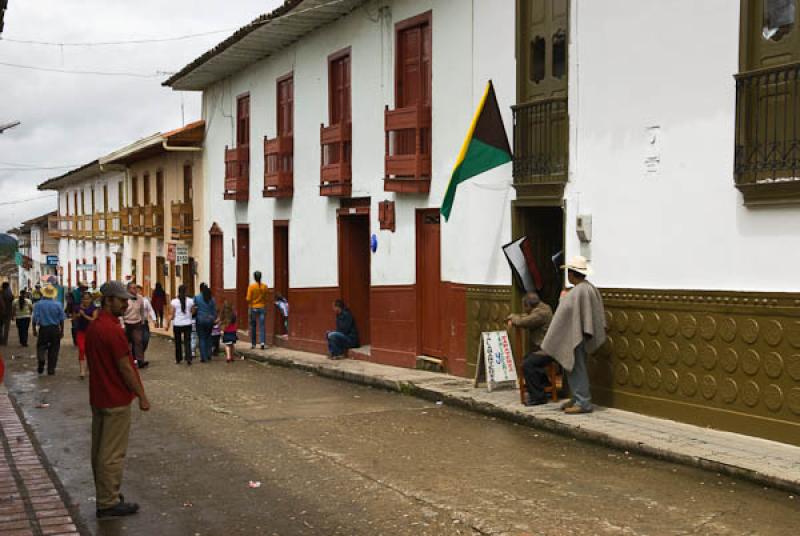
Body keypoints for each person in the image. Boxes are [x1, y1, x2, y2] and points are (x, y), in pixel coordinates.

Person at [85, 281, 150, 519]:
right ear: (108, 300)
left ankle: (106, 494)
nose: (125, 304)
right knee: (112, 453)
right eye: (121, 300)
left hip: (99, 396)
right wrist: (142, 396)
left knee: (100, 450)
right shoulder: (111, 330)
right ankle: (108, 501)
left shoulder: (96, 327)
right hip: (115, 398)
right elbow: (125, 367)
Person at [541, 256, 607, 415]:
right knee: (574, 367)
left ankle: (583, 401)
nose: (568, 276)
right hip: (580, 333)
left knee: (577, 368)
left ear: (572, 274)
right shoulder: (588, 287)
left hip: (576, 336)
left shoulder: (579, 291)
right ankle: (577, 397)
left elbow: (567, 310)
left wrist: (562, 298)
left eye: (568, 272)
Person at [506, 292, 554, 406]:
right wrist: (517, 316)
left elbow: (523, 321)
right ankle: (544, 385)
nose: (524, 309)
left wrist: (512, 317)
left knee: (527, 364)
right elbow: (526, 316)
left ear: (528, 305)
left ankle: (538, 396)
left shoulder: (541, 313)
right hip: (545, 348)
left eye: (525, 306)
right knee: (528, 359)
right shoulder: (543, 307)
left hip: (548, 350)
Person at [32, 285, 66, 375]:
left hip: (43, 329)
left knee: (41, 346)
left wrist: (34, 330)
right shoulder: (58, 304)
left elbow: (35, 318)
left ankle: (41, 359)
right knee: (54, 349)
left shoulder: (38, 304)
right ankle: (51, 369)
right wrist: (62, 331)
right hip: (55, 329)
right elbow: (62, 319)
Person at [122, 283, 149, 369]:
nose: (135, 290)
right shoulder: (124, 298)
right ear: (128, 289)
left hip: (137, 323)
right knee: (127, 343)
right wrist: (122, 324)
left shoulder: (140, 298)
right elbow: (121, 312)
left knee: (139, 341)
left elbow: (142, 310)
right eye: (133, 288)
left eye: (135, 288)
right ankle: (128, 361)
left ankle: (140, 360)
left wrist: (143, 320)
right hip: (126, 322)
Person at [166, 285, 194, 365]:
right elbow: (193, 311)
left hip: (177, 324)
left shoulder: (174, 301)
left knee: (177, 342)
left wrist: (167, 324)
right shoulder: (190, 301)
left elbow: (172, 314)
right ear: (186, 291)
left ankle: (178, 359)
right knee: (187, 342)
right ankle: (188, 358)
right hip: (188, 324)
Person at [194, 283, 217, 363]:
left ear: (200, 289)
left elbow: (194, 309)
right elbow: (214, 311)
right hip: (210, 320)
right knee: (208, 337)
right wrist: (214, 319)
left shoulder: (197, 298)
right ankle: (208, 354)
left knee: (202, 338)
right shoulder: (212, 299)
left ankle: (203, 357)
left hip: (200, 320)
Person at [246, 271, 269, 350]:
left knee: (253, 326)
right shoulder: (265, 286)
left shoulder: (251, 287)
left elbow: (248, 299)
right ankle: (262, 342)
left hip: (253, 307)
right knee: (262, 326)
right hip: (262, 307)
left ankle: (253, 344)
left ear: (254, 278)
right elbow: (266, 297)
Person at [137, 285, 157, 354]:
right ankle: (138, 357)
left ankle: (141, 352)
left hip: (144, 323)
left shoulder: (145, 301)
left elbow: (150, 310)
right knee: (137, 340)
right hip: (135, 323)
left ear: (141, 291)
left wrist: (154, 319)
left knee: (146, 338)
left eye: (139, 291)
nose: (138, 292)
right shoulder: (131, 301)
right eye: (136, 291)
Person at [0, 281, 13, 346]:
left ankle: (1, 340)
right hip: (8, 312)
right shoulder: (9, 293)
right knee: (6, 328)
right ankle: (5, 341)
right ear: (8, 286)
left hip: (1, 313)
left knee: (1, 327)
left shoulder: (1, 292)